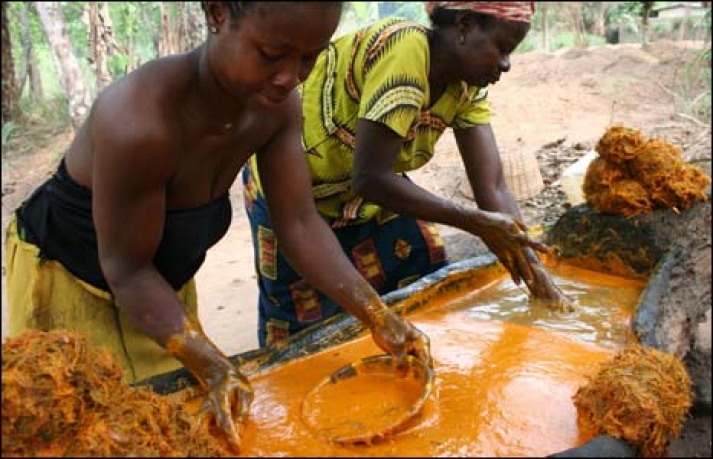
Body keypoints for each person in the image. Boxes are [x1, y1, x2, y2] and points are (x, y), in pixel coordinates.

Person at [2, 1, 485, 452]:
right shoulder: (138, 121)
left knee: (175, 416)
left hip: (159, 278)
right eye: (272, 54)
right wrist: (215, 366)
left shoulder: (274, 109)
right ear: (216, 12)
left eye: (310, 58)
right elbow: (126, 269)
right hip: (74, 275)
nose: (289, 77)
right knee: (92, 427)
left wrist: (379, 316)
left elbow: (298, 223)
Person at [242, 0, 570, 346]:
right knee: (309, 331)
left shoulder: (466, 86)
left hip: (364, 191)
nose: (505, 65)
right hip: (296, 189)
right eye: (502, 49)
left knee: (421, 279)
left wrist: (536, 274)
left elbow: (493, 187)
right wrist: (476, 221)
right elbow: (370, 177)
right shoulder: (404, 50)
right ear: (464, 25)